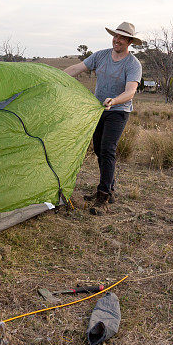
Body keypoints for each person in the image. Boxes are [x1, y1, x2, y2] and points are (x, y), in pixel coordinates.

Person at [64, 22, 142, 214]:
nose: (117, 40)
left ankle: (103, 196)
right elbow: (77, 68)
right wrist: (56, 76)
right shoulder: (101, 55)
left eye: (122, 38)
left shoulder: (133, 65)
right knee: (99, 149)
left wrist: (114, 101)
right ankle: (110, 188)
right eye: (116, 36)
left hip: (118, 111)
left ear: (129, 42)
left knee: (108, 149)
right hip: (98, 109)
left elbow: (130, 92)